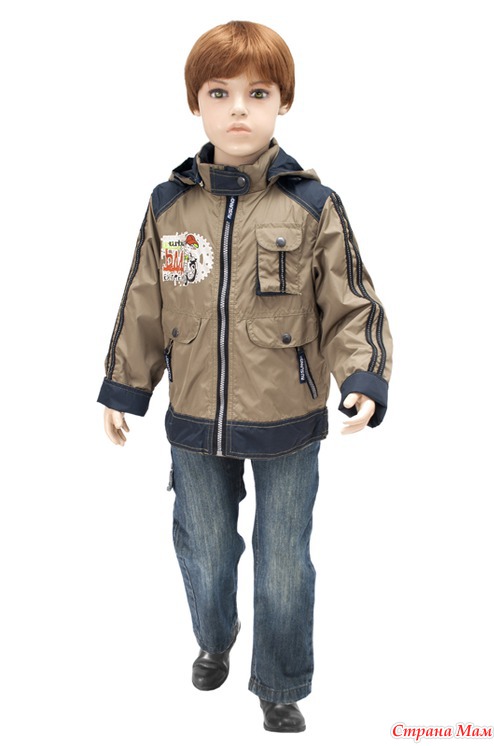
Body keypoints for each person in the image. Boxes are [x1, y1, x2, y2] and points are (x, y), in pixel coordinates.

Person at [97, 20, 392, 733]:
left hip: (287, 418)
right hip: (195, 419)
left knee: (284, 560)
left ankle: (280, 683)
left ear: (282, 102)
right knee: (204, 548)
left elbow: (351, 302)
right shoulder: (170, 206)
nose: (238, 109)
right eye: (219, 92)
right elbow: (144, 300)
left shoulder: (313, 205)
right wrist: (125, 388)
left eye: (257, 93)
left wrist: (363, 375)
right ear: (195, 103)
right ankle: (215, 635)